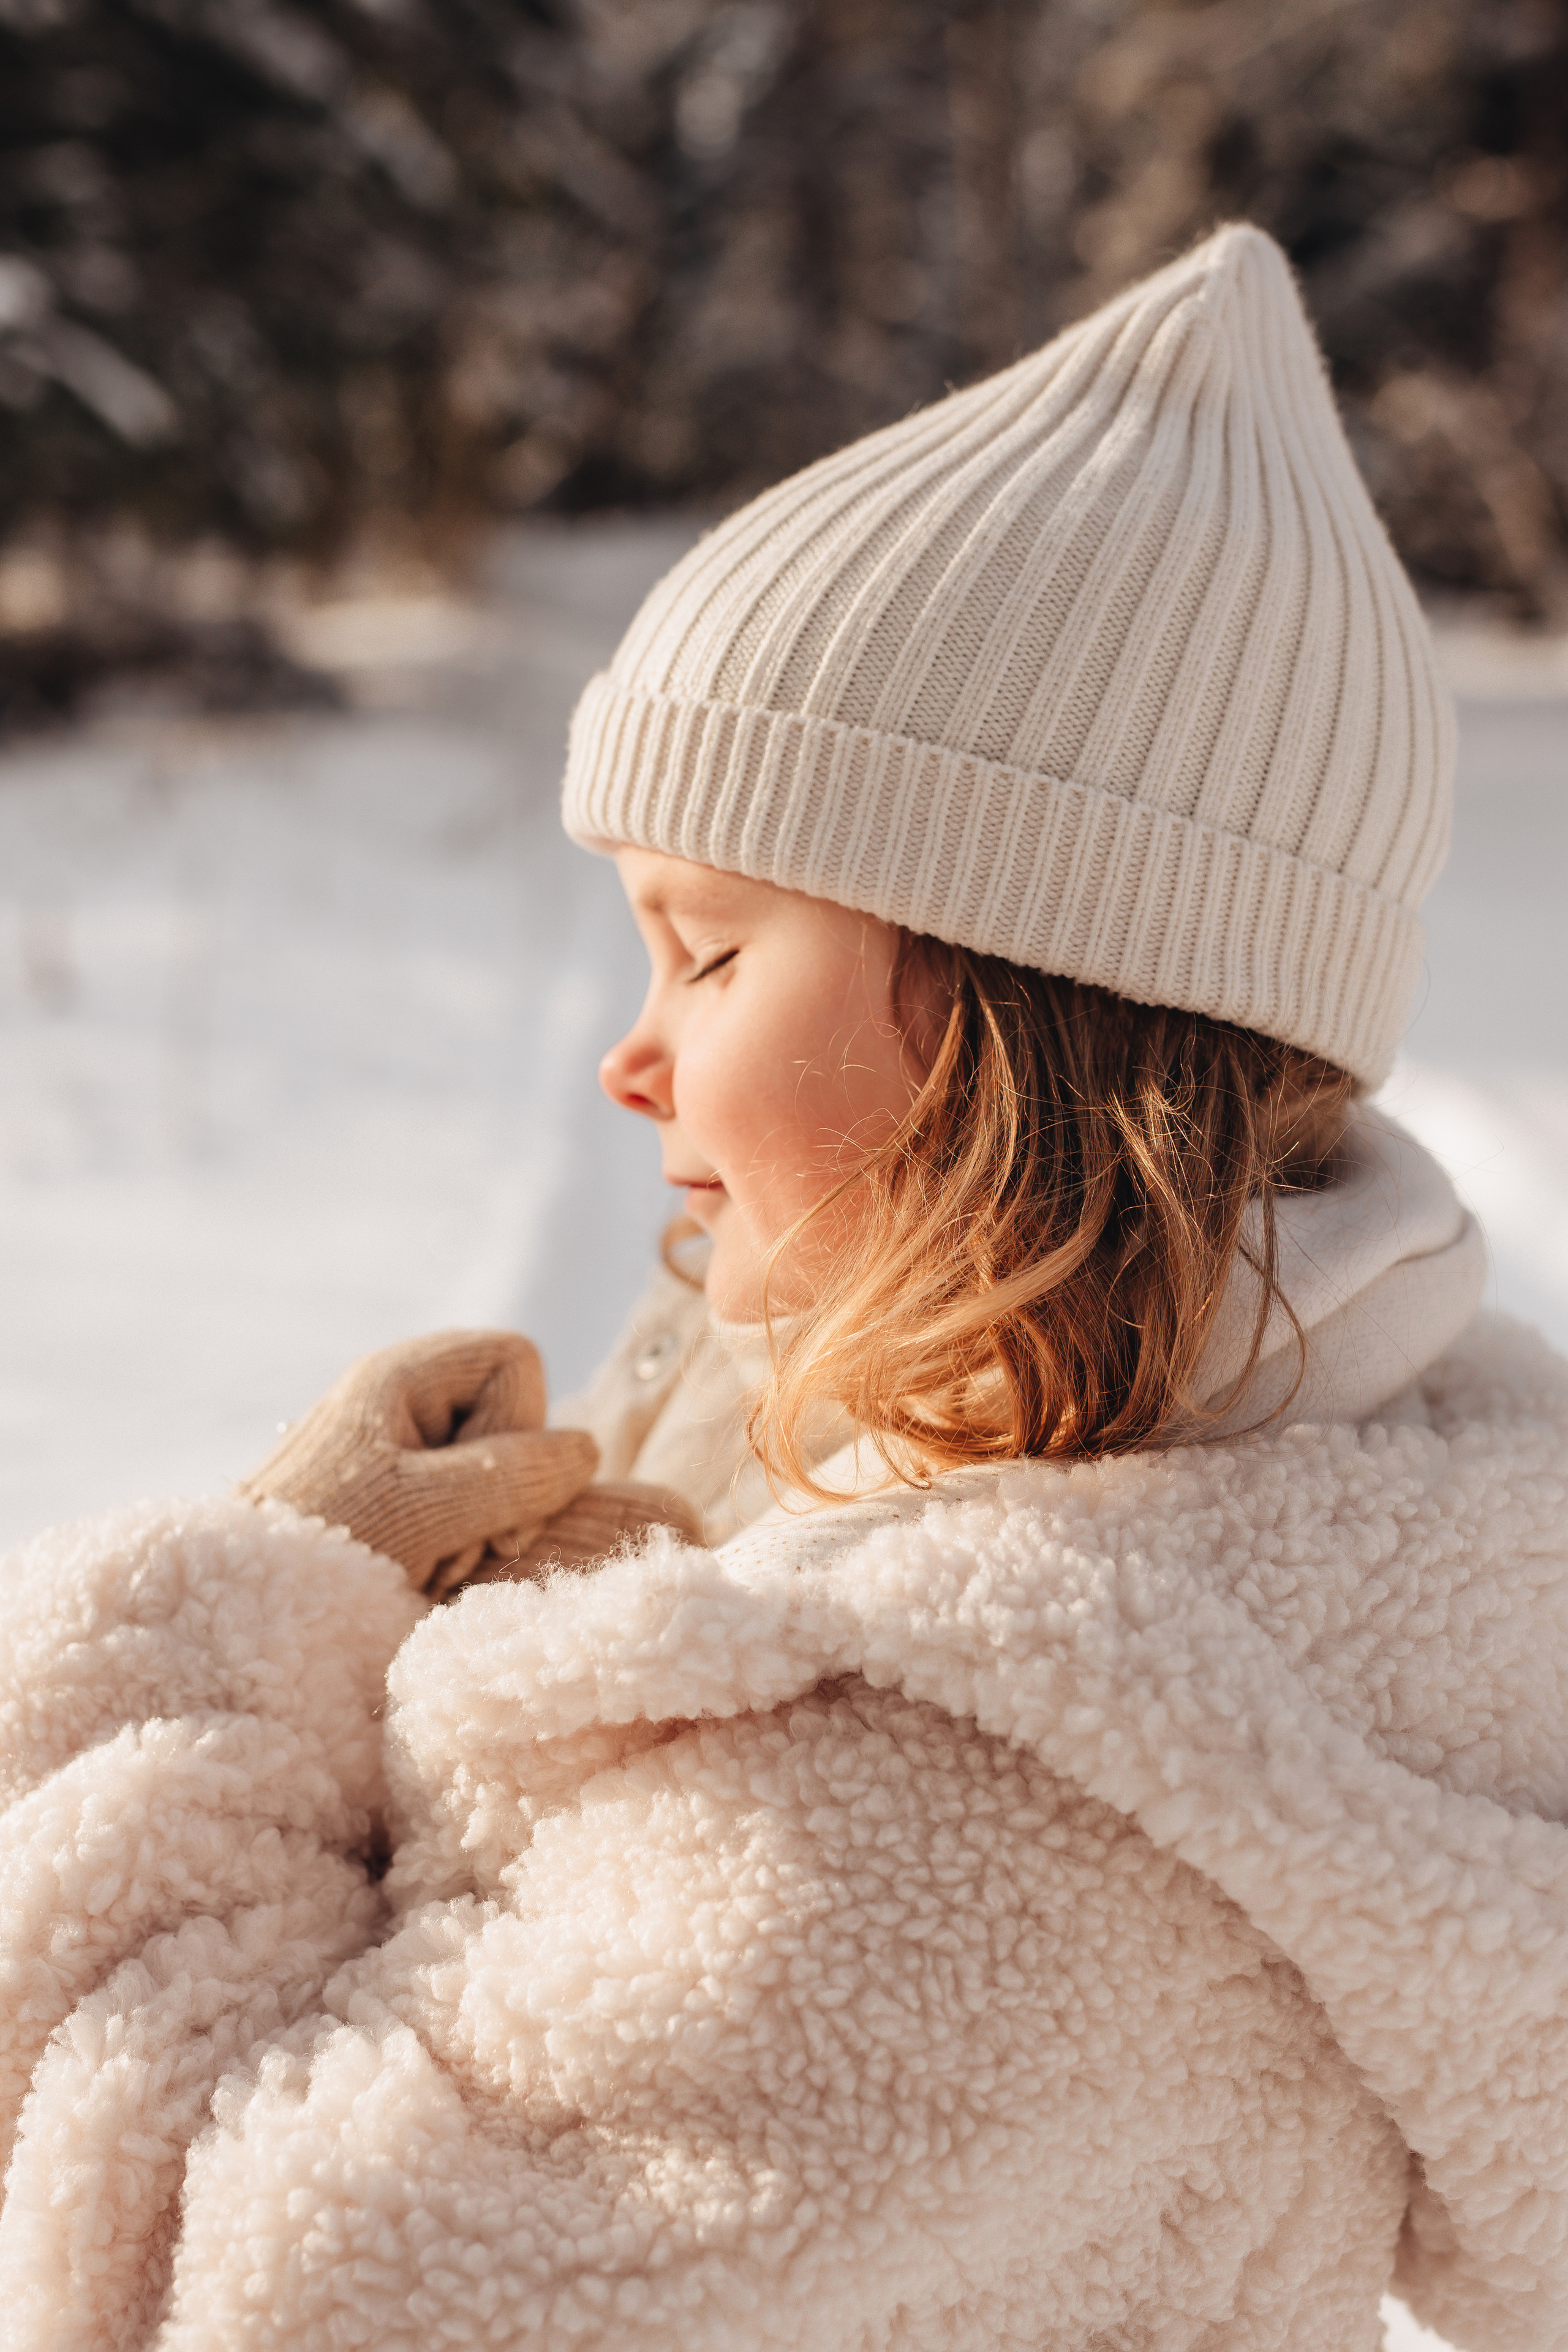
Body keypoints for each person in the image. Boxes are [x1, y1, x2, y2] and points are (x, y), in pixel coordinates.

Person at [3, 223, 1566, 2351]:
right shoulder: (1264, 1520)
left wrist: (221, 1637)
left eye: (714, 946)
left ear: (1035, 1020)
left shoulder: (963, 1814)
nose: (630, 1050)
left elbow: (180, 2272)